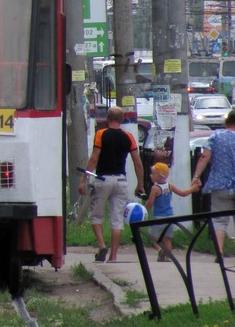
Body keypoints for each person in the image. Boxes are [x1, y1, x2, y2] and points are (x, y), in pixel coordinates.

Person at [80, 105, 145, 263]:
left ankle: (102, 245)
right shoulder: (128, 137)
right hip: (121, 181)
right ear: (122, 120)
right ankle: (114, 257)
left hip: (103, 179)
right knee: (117, 220)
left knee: (96, 215)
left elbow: (94, 158)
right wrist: (140, 184)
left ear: (107, 119)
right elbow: (137, 163)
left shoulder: (101, 134)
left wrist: (84, 179)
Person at [192, 108, 235, 261]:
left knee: (219, 219)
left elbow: (204, 156)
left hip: (220, 185)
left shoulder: (216, 136)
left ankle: (220, 251)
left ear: (227, 121)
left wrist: (196, 176)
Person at [144, 162, 200, 262]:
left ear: (160, 176)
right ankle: (168, 257)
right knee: (167, 239)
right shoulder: (170, 186)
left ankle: (160, 249)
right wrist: (193, 188)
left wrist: (144, 210)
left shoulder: (155, 189)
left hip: (158, 218)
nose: (150, 175)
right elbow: (183, 193)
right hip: (170, 217)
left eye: (153, 173)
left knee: (153, 237)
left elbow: (150, 204)